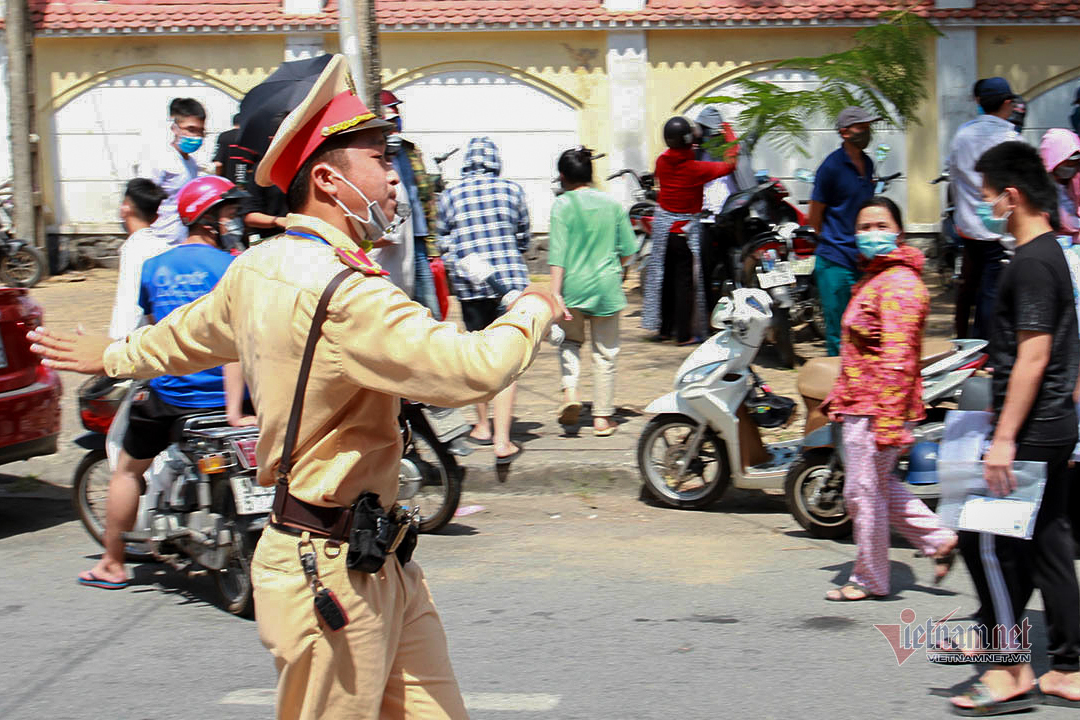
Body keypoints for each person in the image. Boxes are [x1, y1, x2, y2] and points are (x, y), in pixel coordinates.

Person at [28, 54, 557, 720]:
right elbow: (473, 369)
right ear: (332, 180)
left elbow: (182, 337)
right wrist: (534, 307)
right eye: (380, 159)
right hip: (331, 571)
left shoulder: (260, 267)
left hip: (372, 559)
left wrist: (112, 353)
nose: (396, 177)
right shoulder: (349, 293)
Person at [71, 175, 253, 591]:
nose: (233, 221)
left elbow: (156, 335)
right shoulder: (233, 267)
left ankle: (113, 563)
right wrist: (234, 410)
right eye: (227, 214)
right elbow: (235, 345)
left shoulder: (154, 268)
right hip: (230, 399)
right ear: (208, 220)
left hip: (171, 396)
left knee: (126, 471)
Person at [950, 141, 1080, 715]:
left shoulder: (1030, 263)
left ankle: (1010, 671)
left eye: (987, 198)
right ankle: (1070, 669)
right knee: (1051, 545)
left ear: (1012, 195)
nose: (983, 209)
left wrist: (1003, 439)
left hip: (1029, 429)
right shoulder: (1052, 253)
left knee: (988, 547)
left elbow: (1033, 355)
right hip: (1054, 424)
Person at [820, 197, 958, 601]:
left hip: (877, 408)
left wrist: (888, 422)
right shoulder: (877, 277)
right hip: (861, 402)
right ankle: (938, 538)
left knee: (863, 492)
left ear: (898, 231)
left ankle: (870, 578)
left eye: (881, 225)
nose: (871, 233)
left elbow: (897, 361)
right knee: (873, 487)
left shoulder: (898, 284)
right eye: (864, 226)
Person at [437, 135, 532, 464]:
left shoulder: (450, 194)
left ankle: (481, 426)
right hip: (510, 285)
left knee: (478, 356)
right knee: (508, 361)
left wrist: (460, 263)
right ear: (495, 161)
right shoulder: (512, 190)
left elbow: (442, 239)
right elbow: (524, 236)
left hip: (470, 285)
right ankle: (503, 441)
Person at [548, 147, 636, 436]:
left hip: (572, 288)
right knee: (605, 353)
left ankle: (570, 394)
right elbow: (628, 250)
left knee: (570, 343)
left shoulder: (562, 205)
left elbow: (557, 254)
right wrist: (616, 266)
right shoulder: (611, 205)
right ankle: (601, 417)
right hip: (606, 287)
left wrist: (555, 294)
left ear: (563, 177)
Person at [641, 115, 737, 344]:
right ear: (687, 140)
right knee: (684, 284)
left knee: (665, 280)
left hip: (664, 230)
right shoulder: (696, 169)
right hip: (684, 231)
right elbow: (730, 165)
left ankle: (664, 329)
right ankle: (683, 335)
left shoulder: (661, 163)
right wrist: (730, 135)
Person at [947, 77, 1021, 341]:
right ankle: (985, 349)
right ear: (1007, 103)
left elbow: (953, 175)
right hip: (997, 229)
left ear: (979, 102)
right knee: (991, 291)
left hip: (968, 227)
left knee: (968, 288)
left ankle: (962, 340)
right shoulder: (1010, 137)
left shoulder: (962, 134)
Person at [808, 105, 879, 356]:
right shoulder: (830, 167)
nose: (868, 132)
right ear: (844, 132)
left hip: (863, 258)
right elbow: (815, 215)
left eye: (869, 126)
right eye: (862, 127)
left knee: (864, 328)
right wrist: (831, 240)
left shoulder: (868, 163)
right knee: (839, 332)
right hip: (835, 260)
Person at [383, 90, 442, 319]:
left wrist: (432, 246)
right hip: (390, 241)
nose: (396, 123)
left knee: (430, 308)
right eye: (390, 118)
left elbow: (425, 197)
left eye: (397, 116)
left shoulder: (410, 151)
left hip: (417, 239)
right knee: (396, 303)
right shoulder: (374, 153)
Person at [137, 97, 207, 245]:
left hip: (180, 241)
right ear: (175, 128)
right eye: (191, 129)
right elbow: (140, 200)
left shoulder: (192, 165)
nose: (197, 136)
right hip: (157, 240)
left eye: (201, 131)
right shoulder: (159, 160)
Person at [108, 179, 169, 339]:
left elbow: (132, 301)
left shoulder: (133, 248)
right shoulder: (163, 247)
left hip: (131, 337)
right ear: (156, 217)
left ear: (125, 208)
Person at [1039, 128, 1080, 243]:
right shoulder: (1037, 189)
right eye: (1070, 159)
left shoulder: (1076, 181)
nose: (1073, 165)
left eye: (1077, 160)